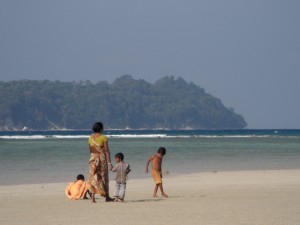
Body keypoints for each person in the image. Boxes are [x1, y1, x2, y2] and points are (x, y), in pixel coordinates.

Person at [88, 122, 114, 203]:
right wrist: (109, 163)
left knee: (93, 177)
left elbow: (90, 150)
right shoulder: (104, 137)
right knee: (104, 177)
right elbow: (106, 151)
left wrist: (93, 158)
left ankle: (93, 198)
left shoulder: (90, 138)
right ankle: (107, 197)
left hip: (92, 158)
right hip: (101, 159)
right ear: (101, 129)